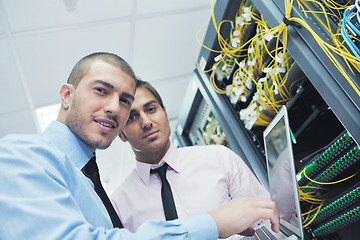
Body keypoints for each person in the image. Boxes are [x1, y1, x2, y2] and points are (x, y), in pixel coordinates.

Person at [0, 52, 279, 240]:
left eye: (124, 100)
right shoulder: (21, 156)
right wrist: (214, 223)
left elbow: (270, 222)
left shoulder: (88, 187)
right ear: (67, 95)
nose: (114, 108)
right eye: (101, 90)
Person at [111, 79, 271, 238]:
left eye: (151, 109)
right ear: (121, 134)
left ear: (165, 114)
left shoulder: (219, 158)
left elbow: (266, 220)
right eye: (132, 118)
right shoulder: (119, 205)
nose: (146, 122)